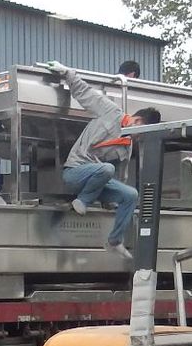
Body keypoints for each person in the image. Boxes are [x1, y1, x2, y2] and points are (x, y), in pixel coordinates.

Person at [40, 61, 144, 255]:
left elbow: (121, 176)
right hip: (75, 172)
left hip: (98, 181)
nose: (140, 138)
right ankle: (82, 201)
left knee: (131, 195)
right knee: (107, 169)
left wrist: (112, 200)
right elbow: (85, 92)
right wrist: (67, 72)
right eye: (142, 132)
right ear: (137, 121)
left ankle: (114, 241)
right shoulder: (111, 111)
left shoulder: (127, 146)